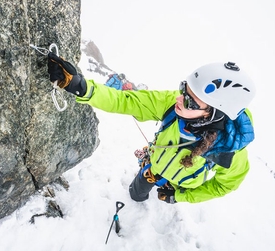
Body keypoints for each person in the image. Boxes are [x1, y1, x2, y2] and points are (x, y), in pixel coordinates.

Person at [47, 53, 256, 204]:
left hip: (181, 184)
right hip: (155, 168)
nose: (180, 100)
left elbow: (224, 185)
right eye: (184, 89)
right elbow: (126, 101)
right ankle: (140, 194)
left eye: (192, 102)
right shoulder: (171, 105)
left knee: (148, 192)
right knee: (135, 194)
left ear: (216, 113)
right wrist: (80, 86)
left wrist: (180, 196)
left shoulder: (229, 151)